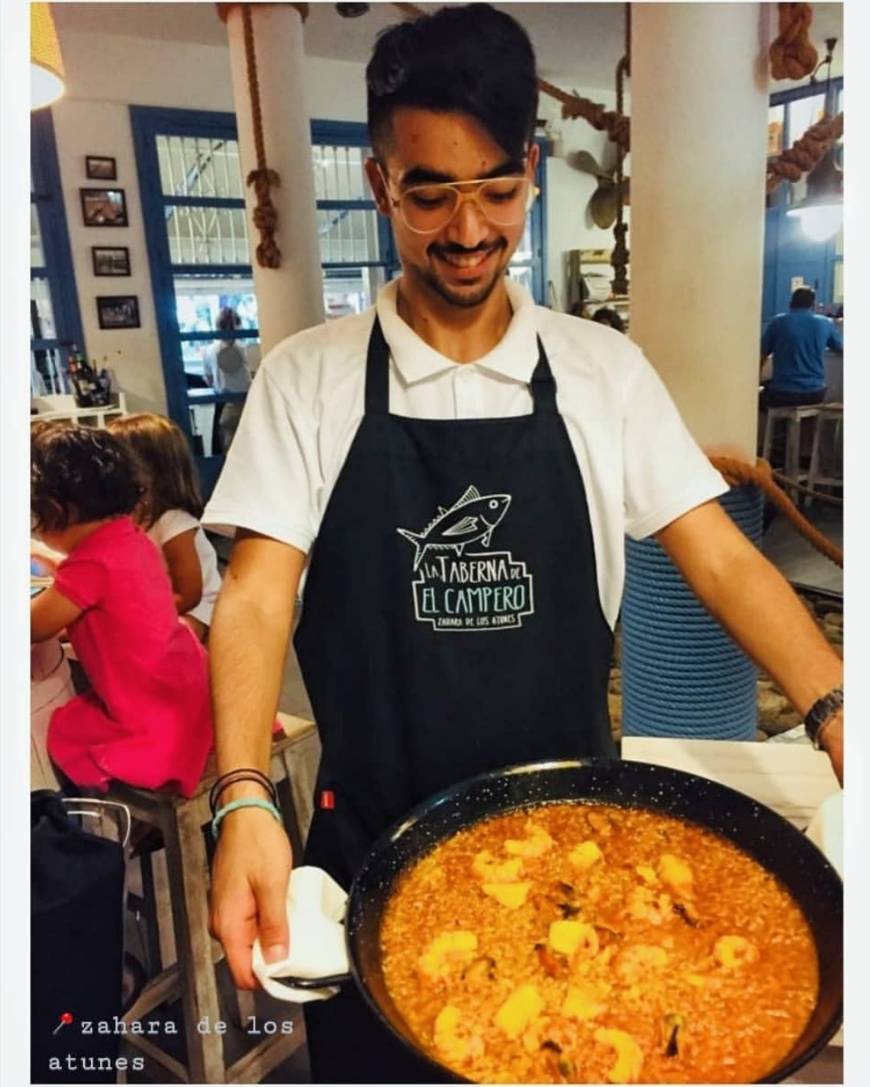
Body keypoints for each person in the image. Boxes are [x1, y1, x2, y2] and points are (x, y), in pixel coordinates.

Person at [202, 6, 843, 1081]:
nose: (467, 229)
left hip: (580, 856)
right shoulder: (306, 379)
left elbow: (722, 555)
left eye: (495, 188)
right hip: (372, 857)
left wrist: (835, 705)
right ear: (378, 182)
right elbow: (257, 596)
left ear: (533, 172)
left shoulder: (601, 371)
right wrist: (242, 794)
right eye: (430, 192)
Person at [30, 423, 212, 796]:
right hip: (183, 688)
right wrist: (48, 559)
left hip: (148, 709)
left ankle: (118, 820)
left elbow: (33, 626)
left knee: (65, 728)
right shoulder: (129, 539)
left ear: (55, 510)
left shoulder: (90, 564)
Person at [108, 413, 222, 641]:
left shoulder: (174, 523)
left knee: (169, 644)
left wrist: (138, 615)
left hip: (199, 609)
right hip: (158, 600)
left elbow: (189, 594)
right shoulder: (129, 518)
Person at [759, 286, 843, 409]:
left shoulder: (777, 322)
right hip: (815, 392)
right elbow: (840, 348)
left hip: (783, 393)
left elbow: (762, 353)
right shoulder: (825, 323)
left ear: (791, 303)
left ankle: (776, 427)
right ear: (813, 305)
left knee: (759, 397)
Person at [204, 306, 252, 453]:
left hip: (223, 405)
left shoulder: (210, 350)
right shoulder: (244, 349)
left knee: (225, 451)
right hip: (245, 403)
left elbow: (209, 380)